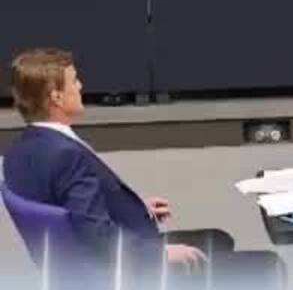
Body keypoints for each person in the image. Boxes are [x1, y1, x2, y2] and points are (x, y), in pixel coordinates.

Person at [4, 50, 209, 273]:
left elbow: (69, 208)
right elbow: (98, 237)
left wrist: (133, 207)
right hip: (124, 270)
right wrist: (160, 254)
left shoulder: (19, 151)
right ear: (57, 97)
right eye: (74, 81)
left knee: (215, 238)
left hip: (78, 271)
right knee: (217, 249)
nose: (81, 86)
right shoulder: (67, 155)